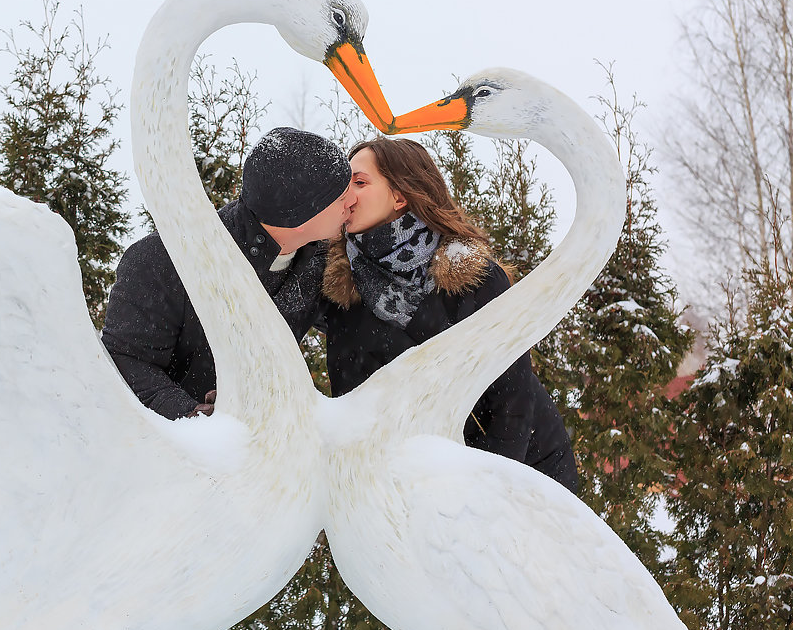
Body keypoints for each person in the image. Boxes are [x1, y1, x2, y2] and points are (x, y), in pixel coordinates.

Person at [320, 137, 579, 494]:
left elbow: (512, 399)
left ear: (400, 195)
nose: (346, 194)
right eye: (343, 183)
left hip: (520, 473)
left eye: (360, 182)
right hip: (409, 487)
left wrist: (481, 491)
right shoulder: (338, 283)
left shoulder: (474, 277)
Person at [102, 126, 355, 421]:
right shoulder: (163, 259)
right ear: (299, 212)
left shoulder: (320, 263)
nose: (352, 203)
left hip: (262, 453)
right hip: (165, 452)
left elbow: (359, 325)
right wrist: (197, 418)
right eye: (341, 197)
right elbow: (126, 361)